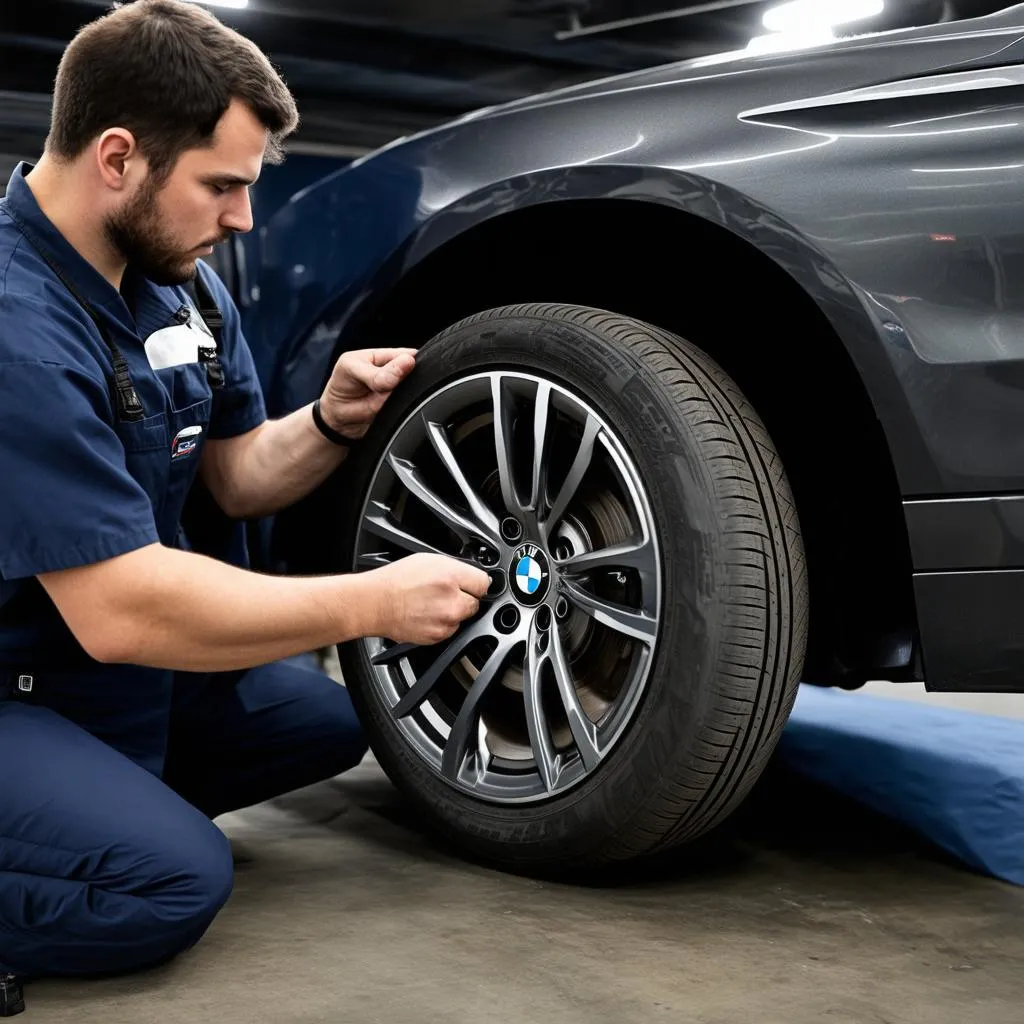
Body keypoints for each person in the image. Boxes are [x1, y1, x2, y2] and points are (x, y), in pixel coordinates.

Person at [0, 0, 489, 992]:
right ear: (118, 158)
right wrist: (377, 600)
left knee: (321, 721)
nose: (243, 219)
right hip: (23, 677)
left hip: (101, 674)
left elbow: (231, 470)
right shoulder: (16, 329)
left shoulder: (177, 280)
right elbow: (120, 609)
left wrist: (331, 421)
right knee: (171, 884)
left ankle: (84, 810)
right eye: (221, 185)